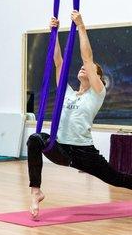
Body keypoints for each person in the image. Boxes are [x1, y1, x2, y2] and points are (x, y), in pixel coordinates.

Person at [28, 11, 131, 218]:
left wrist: (81, 27)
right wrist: (54, 32)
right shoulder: (67, 93)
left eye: (90, 69)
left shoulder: (97, 93)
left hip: (84, 152)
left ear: (98, 78)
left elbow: (88, 57)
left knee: (117, 178)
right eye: (82, 68)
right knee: (35, 139)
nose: (84, 68)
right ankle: (36, 190)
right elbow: (58, 62)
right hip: (61, 148)